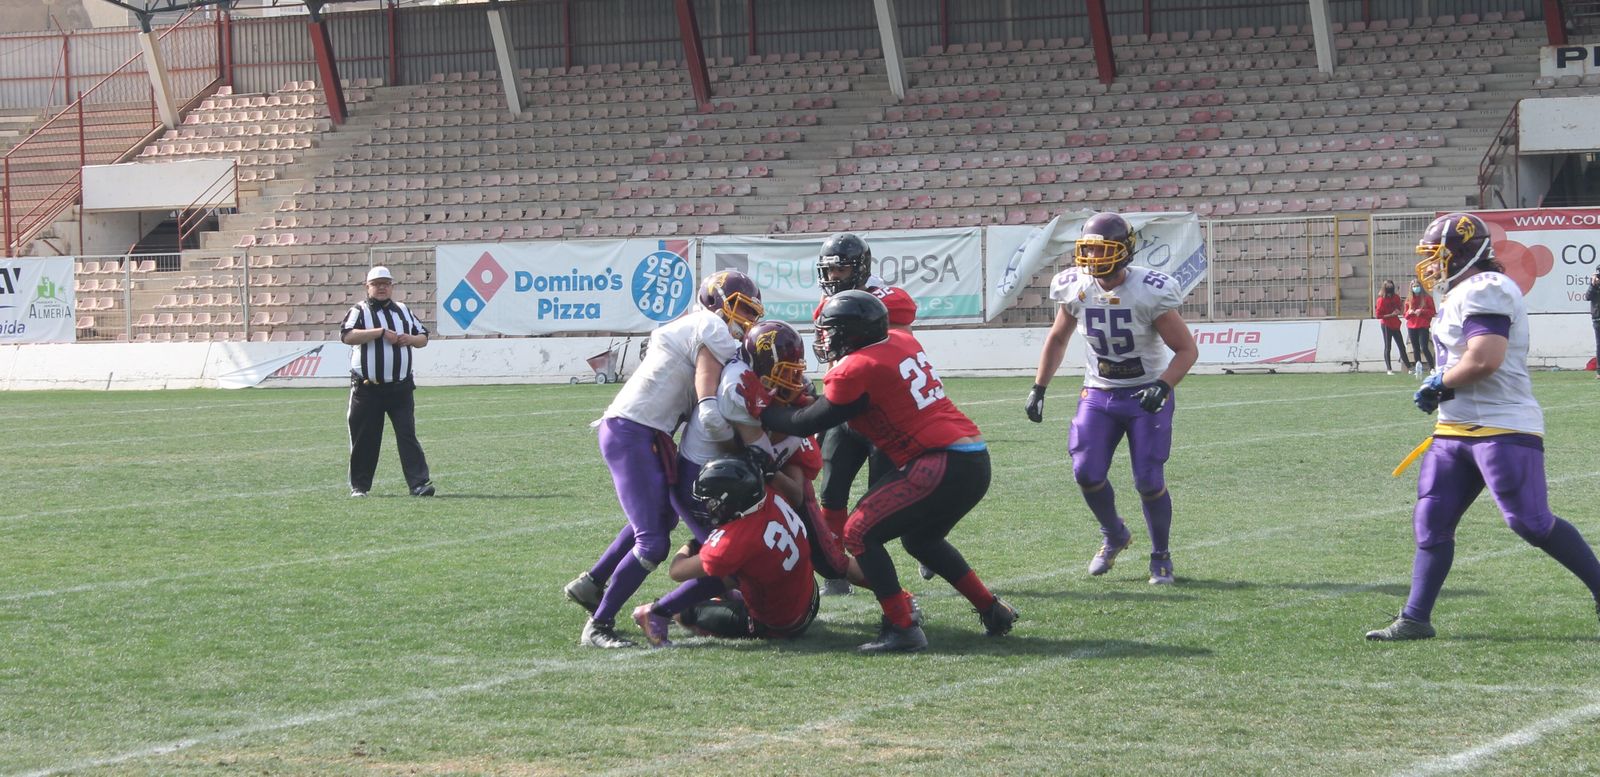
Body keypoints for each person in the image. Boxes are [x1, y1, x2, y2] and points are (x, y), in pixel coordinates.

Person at [1367, 213, 1600, 641]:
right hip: (1454, 428)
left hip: (1503, 425)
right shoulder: (1460, 292)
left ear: (1462, 252)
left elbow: (1484, 358)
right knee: (1431, 521)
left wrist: (1440, 381)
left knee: (1529, 522)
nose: (1431, 264)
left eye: (1438, 254)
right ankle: (1416, 617)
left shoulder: (1486, 289)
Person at [748, 290, 1018, 653]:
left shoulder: (855, 367)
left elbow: (805, 421)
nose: (824, 338)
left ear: (852, 332)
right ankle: (991, 608)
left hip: (938, 461)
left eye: (829, 331)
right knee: (921, 540)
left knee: (858, 532)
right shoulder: (899, 340)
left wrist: (757, 406)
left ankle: (902, 627)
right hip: (971, 457)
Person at [563, 270, 764, 649]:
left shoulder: (696, 326)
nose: (744, 321)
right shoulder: (709, 326)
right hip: (632, 431)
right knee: (653, 542)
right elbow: (711, 384)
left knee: (663, 519)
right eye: (739, 309)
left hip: (644, 431)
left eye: (751, 312)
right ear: (713, 301)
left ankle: (593, 582)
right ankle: (599, 625)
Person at [632, 320, 863, 644]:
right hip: (759, 514)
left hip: (773, 574)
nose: (796, 383)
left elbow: (795, 492)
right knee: (740, 567)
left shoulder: (786, 428)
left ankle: (666, 609)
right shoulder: (739, 394)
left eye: (796, 373)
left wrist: (697, 545)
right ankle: (669, 607)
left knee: (745, 566)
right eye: (786, 373)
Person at [1025, 212, 1198, 585]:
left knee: (1149, 480)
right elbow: (1058, 338)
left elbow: (1186, 350)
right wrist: (1039, 387)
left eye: (1102, 250)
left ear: (1124, 251)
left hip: (1145, 395)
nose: (1093, 259)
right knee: (1086, 472)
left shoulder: (1150, 289)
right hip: (1099, 392)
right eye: (1087, 249)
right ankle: (1114, 533)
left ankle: (1160, 556)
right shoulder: (1073, 285)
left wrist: (1163, 385)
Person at [811, 233, 920, 595]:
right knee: (831, 493)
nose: (834, 277)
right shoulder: (825, 305)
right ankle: (836, 572)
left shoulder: (888, 300)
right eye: (830, 270)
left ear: (860, 268)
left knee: (881, 500)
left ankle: (922, 538)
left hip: (882, 412)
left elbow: (902, 313)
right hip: (843, 409)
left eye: (841, 269)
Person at [632, 457, 822, 647]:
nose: (709, 506)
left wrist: (692, 545)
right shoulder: (771, 495)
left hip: (779, 623)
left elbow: (677, 571)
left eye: (713, 501)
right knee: (740, 568)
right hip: (808, 597)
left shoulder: (737, 539)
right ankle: (732, 594)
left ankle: (656, 612)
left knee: (685, 613)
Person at [341, 265, 435, 498]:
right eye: (376, 284)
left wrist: (409, 339)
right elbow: (347, 335)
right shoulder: (359, 310)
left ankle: (419, 484)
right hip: (367, 388)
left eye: (385, 283)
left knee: (407, 435)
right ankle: (359, 486)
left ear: (392, 286)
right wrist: (379, 332)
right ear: (367, 287)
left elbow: (423, 338)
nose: (381, 287)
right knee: (365, 438)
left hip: (400, 388)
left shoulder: (403, 310)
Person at [1375, 280, 1412, 375]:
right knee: (1388, 346)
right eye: (1388, 286)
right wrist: (1390, 315)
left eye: (1391, 286)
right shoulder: (1381, 300)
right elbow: (1378, 315)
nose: (1390, 288)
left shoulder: (1396, 297)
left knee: (1401, 346)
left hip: (1395, 324)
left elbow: (1399, 308)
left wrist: (1397, 311)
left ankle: (1409, 368)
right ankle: (1389, 369)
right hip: (1386, 324)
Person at [1403, 280, 1436, 375]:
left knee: (1424, 347)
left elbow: (1432, 312)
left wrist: (1421, 311)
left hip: (1423, 325)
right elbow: (1405, 315)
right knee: (1415, 348)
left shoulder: (1427, 298)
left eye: (1417, 286)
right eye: (1414, 286)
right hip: (1411, 326)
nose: (1416, 288)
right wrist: (1409, 313)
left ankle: (1432, 367)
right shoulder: (1409, 300)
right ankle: (1418, 367)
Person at [1586, 270, 1600, 379]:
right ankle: (1599, 372)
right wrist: (1593, 285)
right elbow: (1587, 297)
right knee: (1599, 345)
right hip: (1597, 319)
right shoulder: (1594, 286)